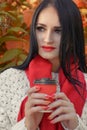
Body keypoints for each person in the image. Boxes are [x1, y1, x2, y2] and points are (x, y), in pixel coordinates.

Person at [0, 0, 87, 130]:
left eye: (58, 31)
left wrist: (76, 126)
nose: (47, 39)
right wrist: (28, 125)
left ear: (73, 36)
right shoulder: (8, 81)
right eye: (41, 28)